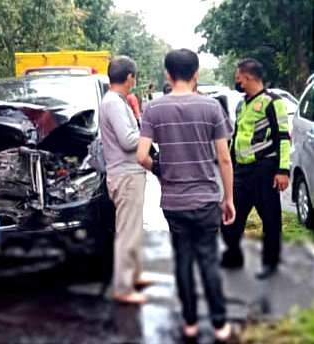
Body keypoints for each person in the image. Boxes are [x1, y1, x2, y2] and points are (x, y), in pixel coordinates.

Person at [136, 49, 235, 341]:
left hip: (174, 202)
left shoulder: (154, 110)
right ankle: (219, 324)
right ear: (196, 74)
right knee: (208, 261)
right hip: (206, 199)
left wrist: (160, 170)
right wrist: (228, 198)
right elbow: (224, 158)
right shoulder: (212, 107)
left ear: (168, 74)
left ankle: (190, 322)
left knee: (182, 260)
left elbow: (142, 156)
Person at [221, 58, 291, 279]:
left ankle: (271, 263)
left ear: (248, 76)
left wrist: (283, 170)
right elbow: (238, 137)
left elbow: (283, 138)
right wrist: (230, 166)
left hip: (265, 169)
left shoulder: (273, 102)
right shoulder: (243, 104)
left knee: (270, 219)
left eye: (238, 76)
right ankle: (233, 256)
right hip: (242, 171)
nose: (237, 80)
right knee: (231, 217)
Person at [99, 56, 149, 304]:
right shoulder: (114, 103)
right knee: (127, 232)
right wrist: (149, 134)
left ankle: (135, 276)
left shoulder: (115, 101)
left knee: (133, 228)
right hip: (125, 175)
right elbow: (128, 140)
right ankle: (123, 287)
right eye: (134, 77)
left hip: (128, 173)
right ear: (130, 77)